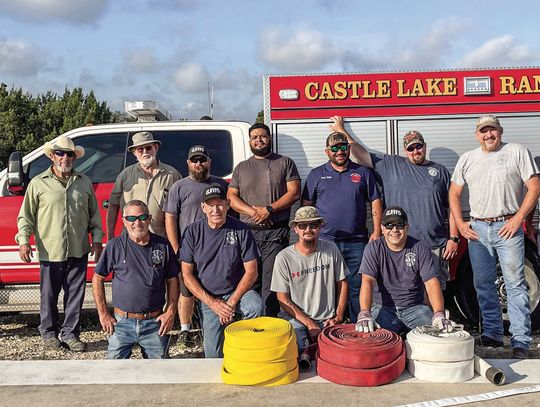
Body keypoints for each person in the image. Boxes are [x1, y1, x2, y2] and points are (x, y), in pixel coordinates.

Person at [449, 114, 540, 359]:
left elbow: (534, 187)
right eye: (483, 131)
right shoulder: (468, 159)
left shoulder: (517, 151)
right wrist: (460, 223)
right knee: (483, 285)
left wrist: (518, 219)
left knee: (515, 284)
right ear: (477, 134)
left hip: (506, 228)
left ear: (500, 130)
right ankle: (493, 334)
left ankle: (520, 340)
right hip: (478, 230)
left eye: (493, 130)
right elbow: (454, 193)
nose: (488, 135)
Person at [331, 116, 459, 290]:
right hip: (400, 246)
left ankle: (433, 318)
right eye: (411, 148)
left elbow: (452, 206)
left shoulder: (440, 171)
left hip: (434, 246)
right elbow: (361, 155)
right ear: (405, 150)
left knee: (433, 293)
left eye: (418, 146)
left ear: (424, 146)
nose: (415, 151)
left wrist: (453, 238)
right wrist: (342, 132)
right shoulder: (391, 165)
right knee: (403, 291)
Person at [15, 136, 103, 352]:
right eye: (61, 153)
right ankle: (49, 334)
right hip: (49, 251)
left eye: (69, 154)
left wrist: (98, 240)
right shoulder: (38, 183)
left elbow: (95, 216)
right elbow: (25, 217)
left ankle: (71, 334)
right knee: (49, 295)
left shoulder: (84, 182)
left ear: (74, 157)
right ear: (52, 156)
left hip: (78, 248)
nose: (65, 157)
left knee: (76, 295)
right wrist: (24, 241)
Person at [302, 131, 382, 323]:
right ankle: (328, 326)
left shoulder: (363, 173)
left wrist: (378, 231)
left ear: (348, 149)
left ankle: (358, 323)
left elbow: (376, 201)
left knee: (357, 286)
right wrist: (307, 236)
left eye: (343, 147)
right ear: (327, 151)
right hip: (325, 242)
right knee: (326, 286)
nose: (339, 152)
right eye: (335, 148)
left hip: (357, 242)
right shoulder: (316, 174)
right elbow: (306, 206)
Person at [180, 185, 264, 357]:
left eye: (219, 204)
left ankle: (247, 352)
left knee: (255, 306)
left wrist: (231, 303)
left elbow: (252, 271)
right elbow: (186, 275)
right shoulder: (192, 232)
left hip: (237, 294)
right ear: (203, 208)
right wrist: (213, 304)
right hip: (209, 297)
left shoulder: (241, 229)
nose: (215, 210)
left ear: (227, 204)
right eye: (210, 205)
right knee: (212, 354)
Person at [228, 123, 301, 316]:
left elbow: (294, 193)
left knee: (272, 283)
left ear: (269, 139)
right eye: (254, 137)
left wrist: (269, 210)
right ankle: (251, 320)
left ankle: (269, 322)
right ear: (249, 141)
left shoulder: (285, 162)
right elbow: (231, 198)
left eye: (262, 136)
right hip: (247, 234)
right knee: (249, 280)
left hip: (275, 234)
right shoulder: (241, 168)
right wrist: (254, 213)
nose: (258, 140)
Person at [92, 200, 179, 359]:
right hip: (121, 324)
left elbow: (173, 280)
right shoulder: (114, 246)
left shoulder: (163, 245)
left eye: (142, 217)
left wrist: (170, 312)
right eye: (131, 218)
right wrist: (103, 314)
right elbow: (97, 278)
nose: (137, 223)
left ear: (150, 218)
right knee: (113, 372)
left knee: (161, 374)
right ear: (124, 221)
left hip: (154, 324)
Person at [164, 145, 228, 350]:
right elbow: (170, 218)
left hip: (217, 247)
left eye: (202, 160)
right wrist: (176, 247)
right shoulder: (179, 187)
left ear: (208, 162)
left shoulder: (220, 184)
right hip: (189, 249)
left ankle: (216, 325)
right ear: (188, 163)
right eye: (194, 160)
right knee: (187, 290)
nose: (198, 164)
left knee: (217, 286)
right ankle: (185, 330)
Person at [356, 206, 455, 334]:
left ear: (407, 227)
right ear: (382, 228)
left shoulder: (420, 248)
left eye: (399, 225)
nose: (395, 230)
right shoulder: (373, 248)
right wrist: (364, 312)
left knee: (437, 336)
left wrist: (438, 313)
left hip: (415, 308)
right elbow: (367, 281)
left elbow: (431, 283)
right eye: (389, 226)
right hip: (383, 308)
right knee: (375, 340)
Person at [271, 206, 349, 353]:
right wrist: (309, 323)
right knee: (297, 350)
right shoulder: (283, 258)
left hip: (327, 319)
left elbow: (343, 283)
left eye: (313, 225)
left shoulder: (331, 249)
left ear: (320, 227)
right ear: (296, 229)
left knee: (338, 352)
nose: (308, 229)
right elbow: (282, 298)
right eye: (303, 225)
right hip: (295, 319)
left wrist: (338, 317)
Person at [107, 131, 181, 239]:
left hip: (160, 241)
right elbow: (113, 206)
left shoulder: (172, 175)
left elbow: (181, 210)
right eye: (140, 149)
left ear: (156, 147)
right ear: (134, 153)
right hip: (130, 241)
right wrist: (110, 236)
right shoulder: (125, 175)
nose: (145, 152)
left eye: (148, 148)